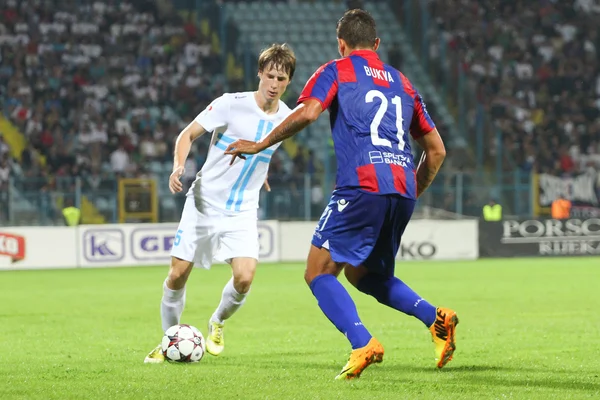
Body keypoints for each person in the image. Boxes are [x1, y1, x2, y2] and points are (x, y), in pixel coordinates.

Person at [225, 9, 457, 380]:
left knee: (318, 271)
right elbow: (437, 151)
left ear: (341, 44)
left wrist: (261, 144)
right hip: (401, 190)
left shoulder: (337, 69)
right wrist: (410, 190)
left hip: (362, 185)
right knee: (365, 276)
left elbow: (308, 113)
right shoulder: (403, 82)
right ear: (377, 45)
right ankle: (437, 319)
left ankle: (362, 342)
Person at [144, 43, 295, 363]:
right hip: (205, 202)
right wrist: (177, 165)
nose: (274, 84)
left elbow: (266, 149)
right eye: (270, 76)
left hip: (242, 210)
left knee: (245, 277)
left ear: (288, 82)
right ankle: (168, 341)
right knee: (177, 275)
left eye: (281, 79)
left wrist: (261, 173)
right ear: (259, 73)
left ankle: (217, 322)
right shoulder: (231, 104)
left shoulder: (288, 118)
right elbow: (187, 135)